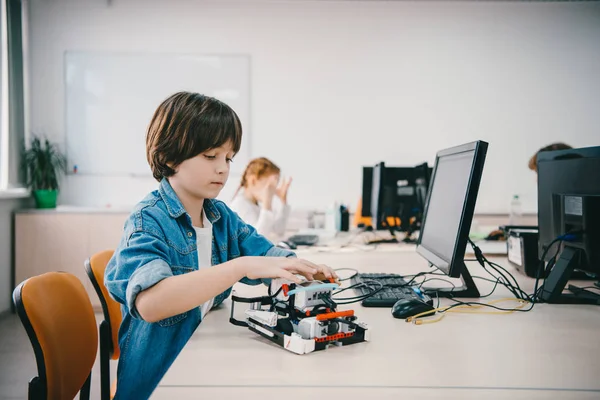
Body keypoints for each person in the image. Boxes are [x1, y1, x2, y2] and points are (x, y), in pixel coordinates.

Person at [104, 92, 336, 399]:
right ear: (171, 156)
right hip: (159, 383)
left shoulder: (219, 215)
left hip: (199, 362)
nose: (223, 169)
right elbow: (151, 304)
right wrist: (238, 267)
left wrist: (299, 267)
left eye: (228, 158)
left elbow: (264, 252)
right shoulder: (148, 221)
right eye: (211, 156)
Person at [230, 157, 292, 239]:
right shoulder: (240, 205)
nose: (274, 190)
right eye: (270, 186)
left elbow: (278, 231)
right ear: (253, 180)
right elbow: (257, 239)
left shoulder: (255, 205)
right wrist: (267, 204)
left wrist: (283, 201)